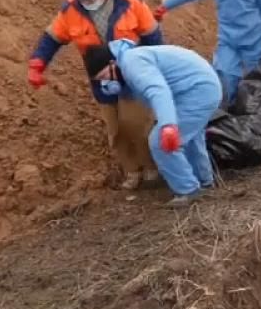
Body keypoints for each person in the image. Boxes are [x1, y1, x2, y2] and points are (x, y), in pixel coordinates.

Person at [28, 0, 164, 190]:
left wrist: (158, 67)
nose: (90, 2)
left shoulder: (130, 2)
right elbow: (51, 38)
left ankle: (151, 167)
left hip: (132, 74)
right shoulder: (70, 11)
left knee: (136, 123)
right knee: (115, 129)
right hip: (100, 78)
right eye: (85, 0)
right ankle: (131, 171)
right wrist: (37, 64)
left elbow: (153, 36)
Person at [83, 41, 222, 207]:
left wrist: (168, 125)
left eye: (104, 77)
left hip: (197, 92)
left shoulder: (132, 64)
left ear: (112, 64)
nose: (105, 83)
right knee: (191, 138)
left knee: (159, 142)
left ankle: (188, 190)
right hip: (199, 88)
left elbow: (158, 91)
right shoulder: (128, 62)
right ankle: (205, 183)